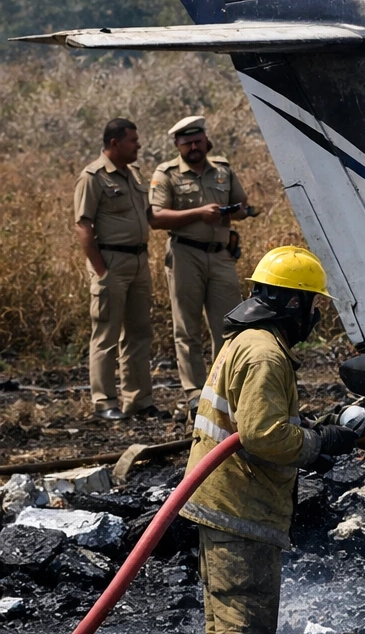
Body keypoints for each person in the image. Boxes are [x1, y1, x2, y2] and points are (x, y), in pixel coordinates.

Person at [180, 246, 365, 634]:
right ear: (295, 302)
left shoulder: (249, 341)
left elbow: (258, 422)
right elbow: (263, 435)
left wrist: (315, 433)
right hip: (240, 508)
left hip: (226, 499)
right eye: (312, 304)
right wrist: (319, 442)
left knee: (227, 621)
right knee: (244, 627)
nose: (314, 316)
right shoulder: (266, 355)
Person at [150, 116, 253, 400]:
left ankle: (223, 389)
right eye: (187, 143)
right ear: (177, 145)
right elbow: (156, 217)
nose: (194, 147)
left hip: (221, 256)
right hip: (185, 255)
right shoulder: (167, 173)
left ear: (206, 141)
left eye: (198, 141)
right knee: (187, 328)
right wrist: (198, 214)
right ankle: (195, 393)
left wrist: (235, 211)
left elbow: (243, 205)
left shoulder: (223, 170)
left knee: (229, 325)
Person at [75, 118, 155, 422]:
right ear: (114, 143)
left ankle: (138, 400)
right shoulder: (93, 177)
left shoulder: (133, 174)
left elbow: (149, 215)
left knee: (139, 333)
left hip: (139, 262)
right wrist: (102, 271)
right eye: (133, 140)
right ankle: (104, 401)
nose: (138, 145)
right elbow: (83, 226)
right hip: (111, 263)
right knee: (106, 334)